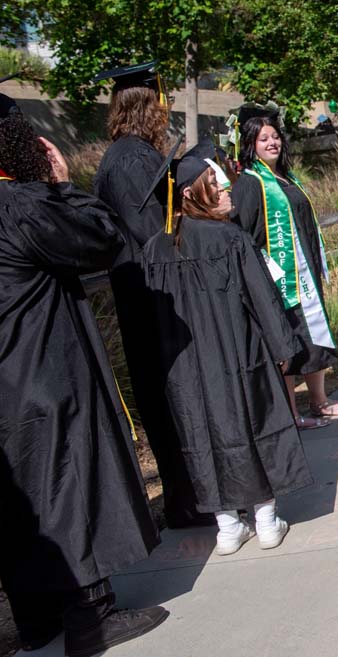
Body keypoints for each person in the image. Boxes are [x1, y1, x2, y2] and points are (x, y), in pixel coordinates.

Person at [0, 94, 168, 657]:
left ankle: (36, 622)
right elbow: (102, 238)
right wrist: (62, 183)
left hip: (6, 384)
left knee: (16, 497)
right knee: (64, 486)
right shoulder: (21, 204)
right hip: (43, 372)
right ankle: (90, 617)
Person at [143, 146, 311, 555]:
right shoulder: (229, 237)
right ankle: (267, 520)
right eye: (213, 183)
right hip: (240, 353)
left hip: (186, 367)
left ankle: (227, 527)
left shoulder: (154, 251)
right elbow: (261, 297)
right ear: (188, 194)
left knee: (204, 436)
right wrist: (282, 345)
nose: (222, 187)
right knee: (257, 425)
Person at [91, 61, 208, 529]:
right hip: (153, 297)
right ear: (145, 105)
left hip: (147, 294)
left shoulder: (125, 155)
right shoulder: (131, 159)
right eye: (159, 100)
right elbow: (152, 234)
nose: (165, 108)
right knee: (170, 398)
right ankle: (188, 500)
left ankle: (189, 496)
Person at [231, 105, 338, 429]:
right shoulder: (249, 184)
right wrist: (272, 275)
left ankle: (320, 402)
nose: (272, 142)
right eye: (263, 139)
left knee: (313, 336)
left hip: (304, 277)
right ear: (250, 145)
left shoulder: (285, 178)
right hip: (278, 282)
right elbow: (246, 238)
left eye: (275, 137)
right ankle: (291, 414)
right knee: (288, 343)